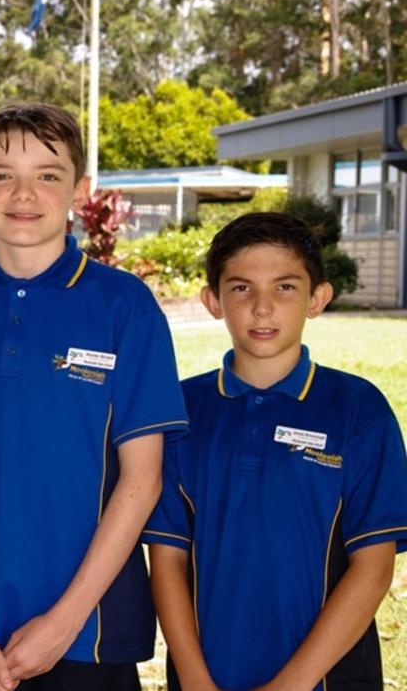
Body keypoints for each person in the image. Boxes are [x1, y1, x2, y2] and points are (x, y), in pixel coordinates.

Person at [0, 103, 189, 691]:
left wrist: (65, 622)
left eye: (48, 175)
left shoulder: (124, 307)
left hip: (91, 633)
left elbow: (144, 480)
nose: (24, 193)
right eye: (2, 175)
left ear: (79, 190)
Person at [143, 212, 407, 691]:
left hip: (327, 679)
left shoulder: (358, 410)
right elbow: (167, 559)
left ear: (317, 299)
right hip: (209, 677)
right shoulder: (178, 412)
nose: (262, 308)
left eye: (285, 287)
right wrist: (196, 681)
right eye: (241, 288)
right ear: (213, 301)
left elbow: (374, 566)